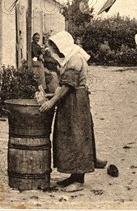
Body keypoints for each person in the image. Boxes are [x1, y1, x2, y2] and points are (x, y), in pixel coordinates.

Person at [39, 31, 104, 192]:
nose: (55, 50)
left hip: (76, 101)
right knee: (68, 135)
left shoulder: (75, 59)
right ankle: (73, 176)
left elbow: (68, 85)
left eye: (56, 47)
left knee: (77, 136)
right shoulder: (71, 56)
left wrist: (51, 102)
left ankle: (79, 180)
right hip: (70, 101)